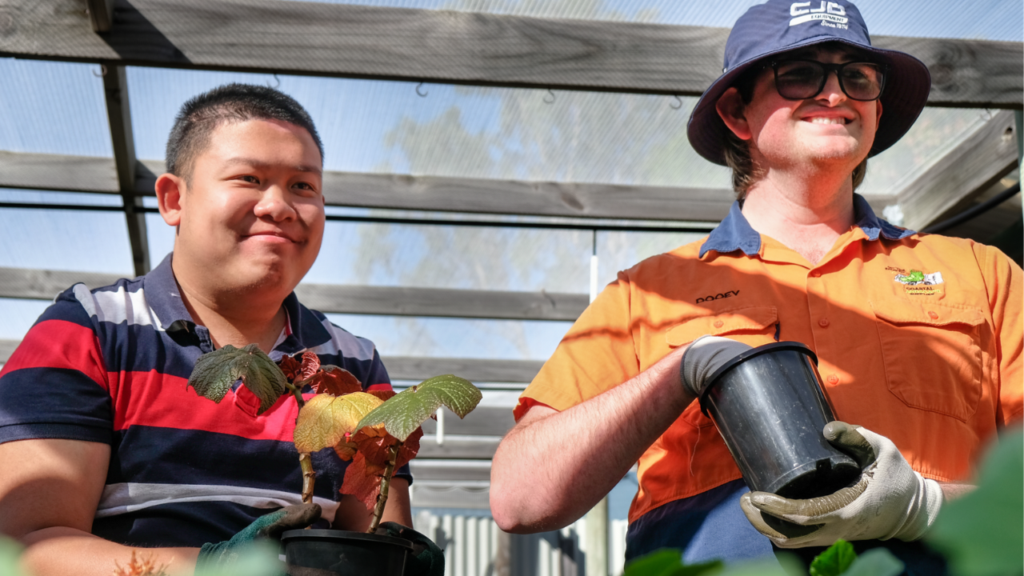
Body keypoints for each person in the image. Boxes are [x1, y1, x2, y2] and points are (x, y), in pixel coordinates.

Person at [489, 0, 1022, 573]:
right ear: (737, 115)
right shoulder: (647, 293)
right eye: (800, 74)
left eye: (857, 77)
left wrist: (924, 506)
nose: (836, 94)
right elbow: (520, 498)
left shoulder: (981, 273)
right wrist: (680, 370)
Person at [0, 84, 417, 575]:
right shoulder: (90, 329)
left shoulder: (355, 363)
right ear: (174, 198)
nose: (279, 205)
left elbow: (371, 536)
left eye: (303, 186)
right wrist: (211, 568)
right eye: (249, 178)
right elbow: (24, 547)